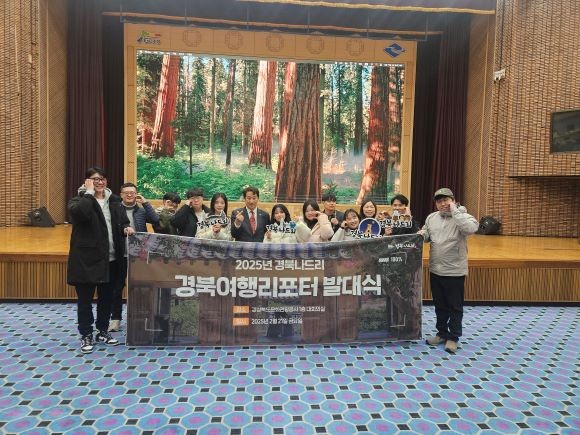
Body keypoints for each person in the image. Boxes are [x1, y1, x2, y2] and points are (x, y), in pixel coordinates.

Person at [67, 167, 134, 354]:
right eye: (95, 179)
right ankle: (86, 334)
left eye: (102, 179)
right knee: (85, 300)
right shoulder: (78, 201)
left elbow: (122, 222)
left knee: (107, 298)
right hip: (87, 260)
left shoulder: (114, 200)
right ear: (87, 181)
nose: (99, 182)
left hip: (111, 259)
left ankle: (102, 331)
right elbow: (81, 214)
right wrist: (88, 194)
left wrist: (126, 228)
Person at [420, 188, 478, 354]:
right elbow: (427, 235)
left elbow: (470, 229)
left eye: (446, 200)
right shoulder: (431, 217)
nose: (443, 204)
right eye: (439, 201)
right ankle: (442, 333)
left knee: (454, 307)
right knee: (440, 305)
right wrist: (421, 234)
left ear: (453, 200)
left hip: (454, 271)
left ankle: (453, 337)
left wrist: (455, 212)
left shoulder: (464, 217)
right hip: (436, 269)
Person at [109, 182, 160, 332]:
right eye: (126, 192)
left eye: (132, 192)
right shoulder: (114, 210)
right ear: (121, 195)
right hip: (120, 255)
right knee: (117, 288)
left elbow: (155, 220)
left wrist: (146, 203)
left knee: (142, 288)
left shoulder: (141, 211)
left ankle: (142, 318)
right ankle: (115, 319)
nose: (130, 195)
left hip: (139, 256)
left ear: (136, 195)